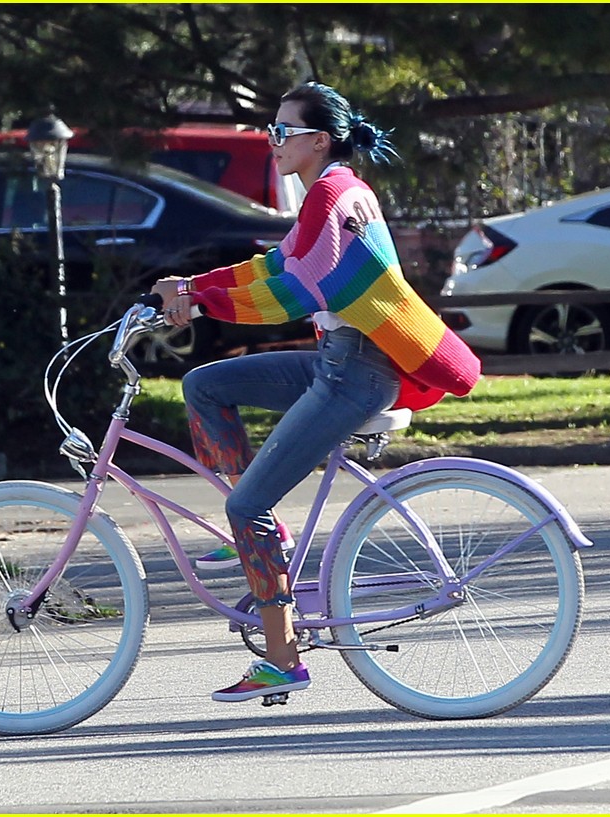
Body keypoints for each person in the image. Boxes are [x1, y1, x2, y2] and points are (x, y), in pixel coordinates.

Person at [150, 82, 482, 704]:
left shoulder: (333, 193)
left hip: (355, 373)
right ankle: (251, 535)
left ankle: (282, 658)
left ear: (318, 139)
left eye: (282, 131)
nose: (271, 142)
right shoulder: (330, 193)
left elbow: (295, 291)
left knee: (247, 508)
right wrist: (192, 285)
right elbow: (275, 266)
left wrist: (200, 302)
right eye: (270, 131)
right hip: (340, 359)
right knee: (203, 384)